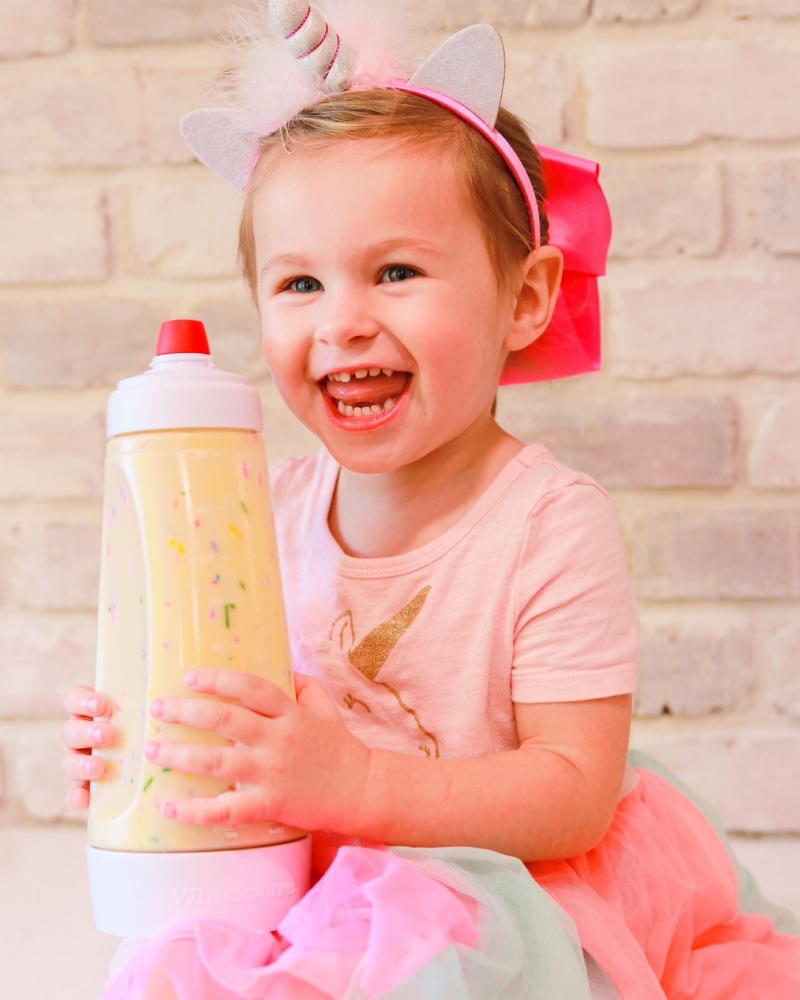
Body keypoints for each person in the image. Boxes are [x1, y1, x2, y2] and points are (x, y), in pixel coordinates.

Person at [60, 4, 800, 998]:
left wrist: (360, 788)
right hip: (314, 873)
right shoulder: (262, 510)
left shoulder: (546, 523)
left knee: (431, 958)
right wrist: (151, 748)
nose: (343, 323)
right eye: (298, 284)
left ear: (524, 298)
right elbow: (239, 699)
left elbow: (573, 794)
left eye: (396, 271)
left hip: (504, 885)